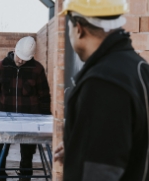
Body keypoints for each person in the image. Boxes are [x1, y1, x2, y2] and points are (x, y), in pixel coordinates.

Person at [54, 0, 149, 180]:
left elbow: (99, 173)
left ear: (79, 28)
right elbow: (135, 140)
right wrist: (81, 149)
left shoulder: (102, 83)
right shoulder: (141, 69)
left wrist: (87, 158)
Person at [0, 36, 51, 181]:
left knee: (28, 151)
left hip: (30, 118)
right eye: (20, 57)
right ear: (15, 50)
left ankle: (25, 176)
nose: (21, 61)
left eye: (25, 59)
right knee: (0, 149)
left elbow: (44, 94)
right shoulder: (1, 66)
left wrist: (44, 117)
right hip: (5, 116)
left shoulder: (37, 69)